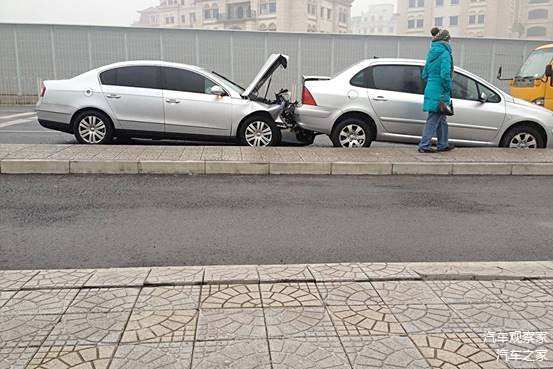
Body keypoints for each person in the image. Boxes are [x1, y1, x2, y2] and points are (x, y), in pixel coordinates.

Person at [418, 29, 455, 153]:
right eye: (449, 39)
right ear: (446, 40)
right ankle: (424, 145)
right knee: (433, 120)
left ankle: (443, 144)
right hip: (440, 90)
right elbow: (445, 74)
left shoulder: (431, 52)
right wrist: (447, 87)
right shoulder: (445, 53)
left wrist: (432, 82)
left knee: (442, 119)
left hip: (431, 87)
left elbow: (424, 74)